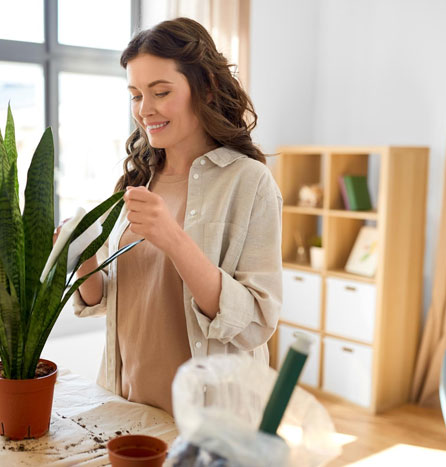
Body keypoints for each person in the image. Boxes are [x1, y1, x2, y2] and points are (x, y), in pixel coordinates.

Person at [65, 17, 283, 416]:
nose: (144, 110)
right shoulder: (138, 180)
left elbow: (255, 321)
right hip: (125, 402)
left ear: (206, 87)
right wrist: (84, 256)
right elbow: (111, 300)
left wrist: (174, 238)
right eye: (135, 95)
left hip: (210, 418)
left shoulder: (250, 182)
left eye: (160, 92)